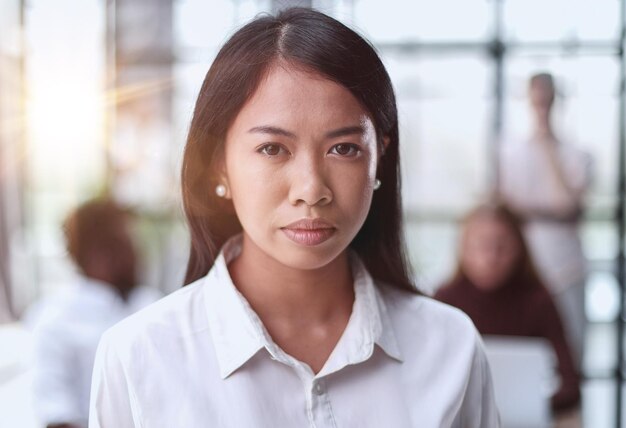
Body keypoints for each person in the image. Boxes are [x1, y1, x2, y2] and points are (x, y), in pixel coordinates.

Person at [89, 8, 499, 427]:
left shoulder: (451, 348)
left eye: (343, 149)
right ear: (219, 167)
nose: (311, 190)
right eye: (272, 149)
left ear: (380, 159)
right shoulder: (139, 357)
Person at [435, 202, 580, 414]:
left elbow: (570, 384)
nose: (491, 257)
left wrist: (531, 405)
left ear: (519, 248)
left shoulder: (538, 300)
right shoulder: (445, 300)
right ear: (463, 249)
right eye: (480, 246)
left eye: (501, 246)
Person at [27, 199, 161, 428]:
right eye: (127, 242)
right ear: (99, 254)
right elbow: (58, 417)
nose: (137, 253)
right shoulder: (54, 320)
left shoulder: (151, 303)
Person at [499, 72, 592, 366]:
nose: (541, 107)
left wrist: (546, 144)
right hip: (525, 265)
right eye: (536, 101)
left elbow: (569, 205)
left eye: (546, 101)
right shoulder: (510, 153)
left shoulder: (577, 154)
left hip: (566, 267)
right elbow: (507, 209)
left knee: (570, 351)